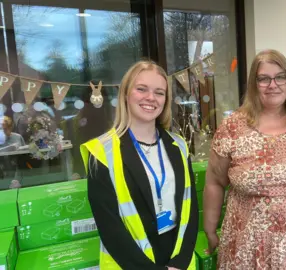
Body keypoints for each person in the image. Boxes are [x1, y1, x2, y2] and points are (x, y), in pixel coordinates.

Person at [203, 49, 286, 269]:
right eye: (263, 78)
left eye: (280, 77)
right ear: (253, 84)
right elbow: (215, 182)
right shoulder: (232, 127)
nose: (272, 84)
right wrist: (210, 228)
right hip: (248, 247)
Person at [80, 60, 198, 270]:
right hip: (132, 263)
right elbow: (110, 227)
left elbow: (191, 208)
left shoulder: (178, 146)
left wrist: (180, 262)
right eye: (141, 89)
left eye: (159, 92)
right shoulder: (101, 152)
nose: (151, 98)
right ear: (126, 94)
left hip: (177, 258)